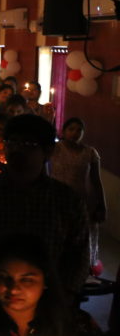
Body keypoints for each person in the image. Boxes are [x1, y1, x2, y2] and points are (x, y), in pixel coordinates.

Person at [0, 114, 90, 297]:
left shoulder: (66, 201)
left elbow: (78, 257)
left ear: (48, 151)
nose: (16, 149)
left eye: (28, 144)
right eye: (12, 142)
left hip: (50, 299)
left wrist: (61, 296)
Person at [49, 117, 107, 275]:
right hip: (58, 200)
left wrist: (102, 205)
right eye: (71, 129)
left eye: (79, 130)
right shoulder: (54, 149)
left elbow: (96, 181)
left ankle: (80, 269)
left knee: (81, 237)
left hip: (82, 201)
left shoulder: (90, 153)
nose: (75, 133)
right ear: (63, 131)